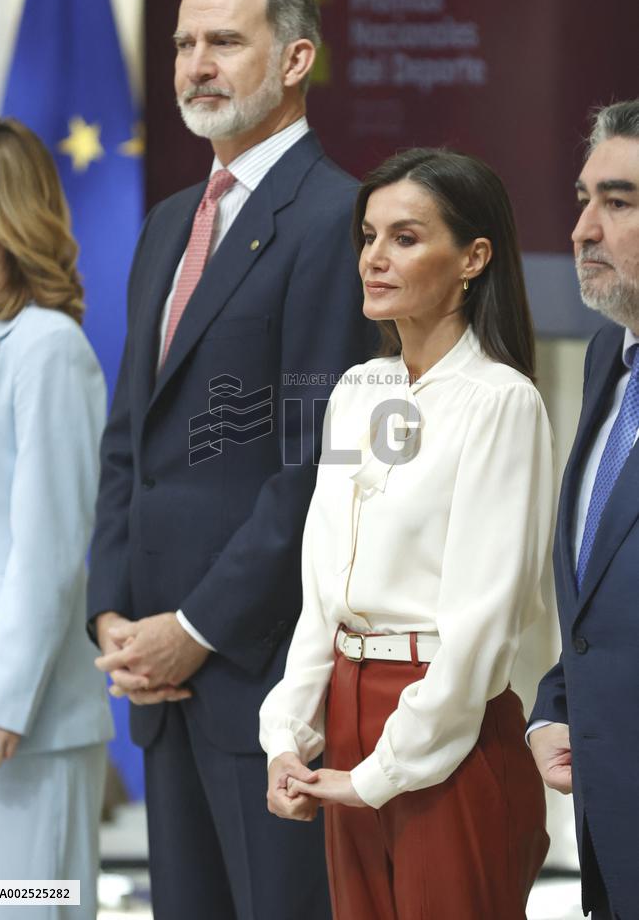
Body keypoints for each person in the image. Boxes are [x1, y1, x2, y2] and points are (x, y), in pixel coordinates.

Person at [87, 0, 373, 920]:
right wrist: (113, 614)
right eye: (181, 44)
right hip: (156, 677)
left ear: (295, 59)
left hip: (256, 674)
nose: (194, 65)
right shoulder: (170, 220)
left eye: (223, 41)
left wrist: (198, 629)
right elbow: (130, 437)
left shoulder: (340, 218)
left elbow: (313, 462)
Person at [260, 147, 556, 920]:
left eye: (405, 238)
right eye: (367, 236)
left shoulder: (502, 402)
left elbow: (482, 626)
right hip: (347, 709)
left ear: (474, 258)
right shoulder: (358, 392)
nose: (374, 259)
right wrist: (287, 736)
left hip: (447, 727)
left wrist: (375, 774)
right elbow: (322, 585)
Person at [0, 116, 113, 918]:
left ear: (5, 205)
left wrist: (3, 699)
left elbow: (50, 546)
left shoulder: (46, 347)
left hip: (22, 714)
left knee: (23, 907)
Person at [529, 99, 639, 920]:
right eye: (583, 198)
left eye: (619, 201)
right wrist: (553, 707)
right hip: (608, 827)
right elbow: (598, 598)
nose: (581, 230)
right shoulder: (609, 357)